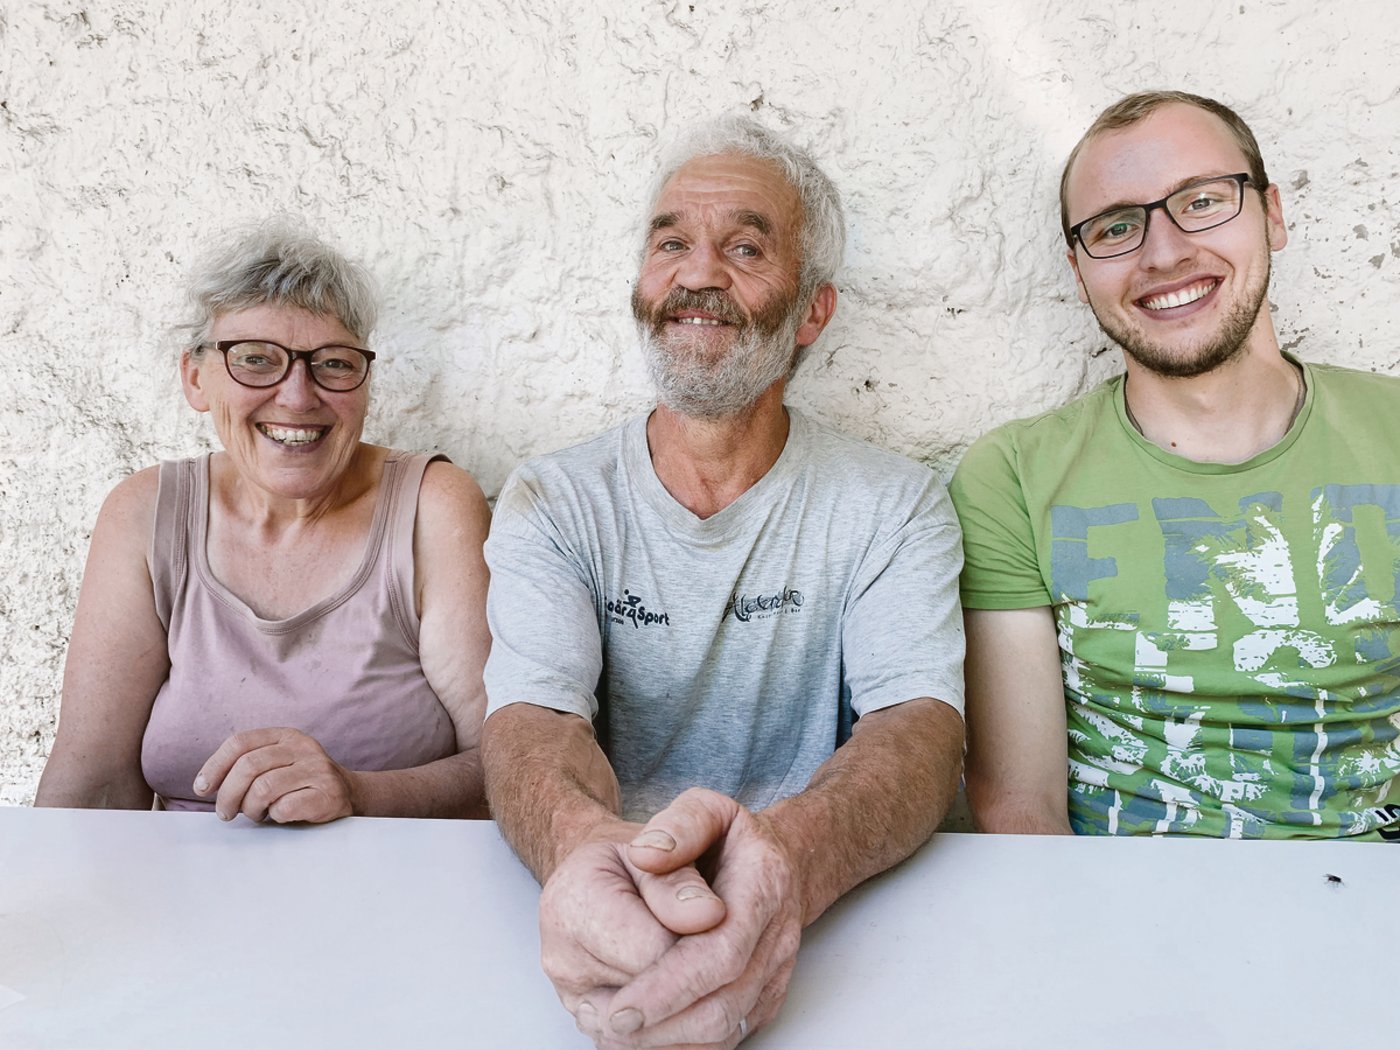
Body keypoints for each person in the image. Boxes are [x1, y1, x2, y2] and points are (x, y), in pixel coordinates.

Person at [480, 116, 965, 1047]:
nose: (697, 274)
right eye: (671, 243)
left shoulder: (894, 505)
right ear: (640, 282)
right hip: (595, 909)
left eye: (745, 246)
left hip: (837, 927)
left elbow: (919, 730)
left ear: (813, 311)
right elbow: (535, 720)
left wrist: (790, 859)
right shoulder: (555, 498)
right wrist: (583, 847)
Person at [950, 90, 1400, 841]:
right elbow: (1021, 806)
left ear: (1274, 215)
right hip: (1121, 916)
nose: (1164, 253)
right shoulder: (1013, 478)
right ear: (1077, 268)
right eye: (1117, 226)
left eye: (1202, 200)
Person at [36, 227, 492, 822]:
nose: (298, 397)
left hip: (386, 896)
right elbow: (92, 783)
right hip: (183, 899)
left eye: (333, 363)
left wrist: (358, 794)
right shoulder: (145, 514)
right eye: (255, 359)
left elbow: (506, 760)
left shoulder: (434, 507)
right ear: (196, 378)